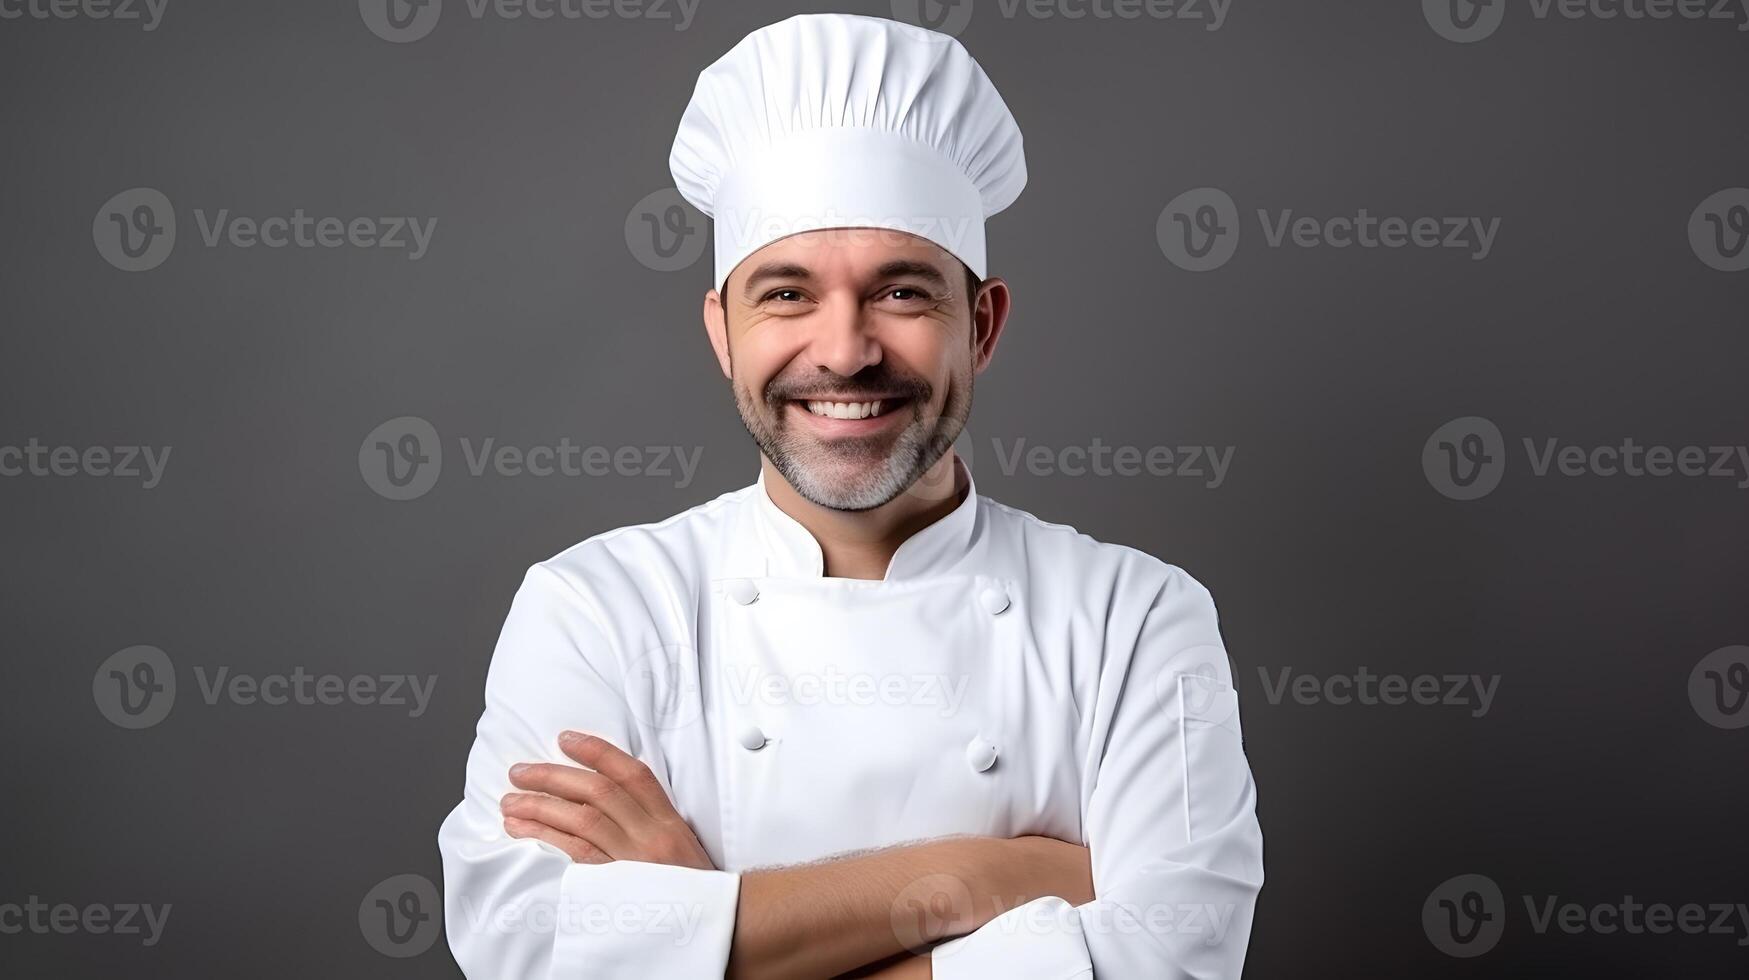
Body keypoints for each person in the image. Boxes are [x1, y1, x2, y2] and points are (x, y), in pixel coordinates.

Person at [437, 13, 1263, 979]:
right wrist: (986, 876)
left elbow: (1173, 964)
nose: (843, 350)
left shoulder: (1136, 617)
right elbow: (522, 946)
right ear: (722, 333)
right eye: (785, 295)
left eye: (902, 293)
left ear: (982, 326)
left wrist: (692, 929)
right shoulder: (597, 609)